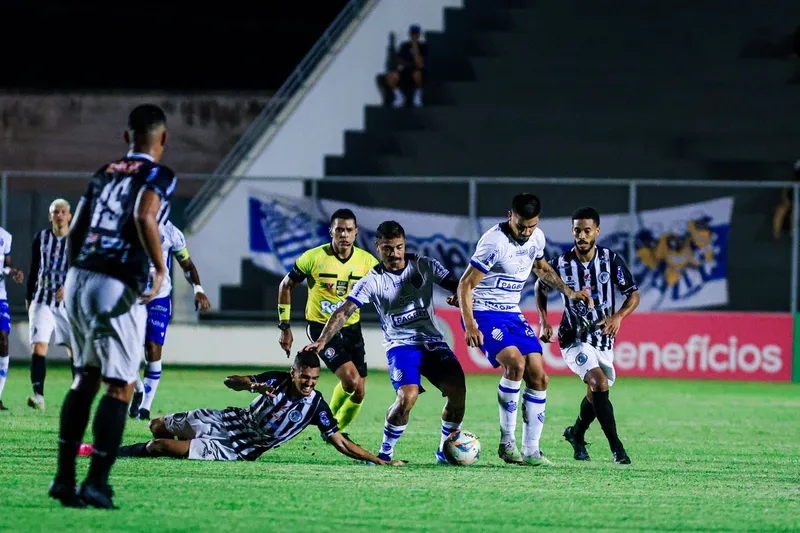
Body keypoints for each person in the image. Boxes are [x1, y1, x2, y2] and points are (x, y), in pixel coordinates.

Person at [49, 103, 176, 510]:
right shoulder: (158, 173)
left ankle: (64, 479)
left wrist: (74, 276)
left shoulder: (104, 171)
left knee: (85, 377)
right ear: (163, 139)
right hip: (117, 282)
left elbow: (77, 228)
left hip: (80, 275)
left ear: (127, 137)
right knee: (120, 384)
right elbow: (145, 215)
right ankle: (97, 483)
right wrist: (159, 267)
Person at [304, 221, 466, 464]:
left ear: (404, 244)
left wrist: (460, 295)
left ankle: (445, 451)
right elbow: (344, 311)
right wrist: (322, 340)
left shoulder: (423, 265)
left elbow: (459, 284)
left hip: (432, 342)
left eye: (399, 247)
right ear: (378, 247)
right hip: (401, 345)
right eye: (388, 248)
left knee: (458, 393)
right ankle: (384, 453)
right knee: (407, 398)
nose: (395, 254)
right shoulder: (372, 279)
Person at [457, 193, 593, 466]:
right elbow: (465, 285)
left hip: (511, 313)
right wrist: (470, 324)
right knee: (515, 364)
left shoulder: (536, 237)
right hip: (484, 312)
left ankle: (531, 450)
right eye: (521, 226)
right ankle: (507, 443)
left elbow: (542, 269)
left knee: (540, 378)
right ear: (511, 216)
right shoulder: (493, 242)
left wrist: (568, 292)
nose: (526, 232)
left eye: (531, 226)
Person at [111, 350, 404, 466]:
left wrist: (381, 461)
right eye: (304, 376)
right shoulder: (275, 380)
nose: (309, 383)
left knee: (157, 445)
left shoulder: (316, 406)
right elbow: (230, 381)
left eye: (314, 379)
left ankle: (115, 452)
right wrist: (252, 386)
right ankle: (184, 444)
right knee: (156, 425)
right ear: (294, 372)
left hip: (238, 448)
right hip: (225, 421)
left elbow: (340, 442)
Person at [534, 207, 638, 465]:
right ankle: (618, 449)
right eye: (577, 230)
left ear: (597, 232)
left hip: (603, 339)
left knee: (595, 393)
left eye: (586, 230)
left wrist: (618, 317)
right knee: (599, 384)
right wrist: (544, 321)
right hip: (574, 337)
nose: (581, 235)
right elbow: (540, 286)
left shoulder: (610, 260)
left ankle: (576, 434)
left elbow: (633, 294)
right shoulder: (560, 263)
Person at [277, 209, 378, 436]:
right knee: (351, 381)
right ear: (331, 231)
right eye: (339, 230)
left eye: (349, 230)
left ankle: (334, 428)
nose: (344, 234)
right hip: (320, 328)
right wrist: (285, 326)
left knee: (359, 391)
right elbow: (285, 286)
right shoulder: (313, 258)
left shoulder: (367, 262)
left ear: (355, 233)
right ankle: (329, 425)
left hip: (352, 329)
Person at [129, 219, 211, 421]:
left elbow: (187, 265)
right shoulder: (129, 224)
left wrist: (198, 289)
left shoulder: (172, 232)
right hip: (131, 297)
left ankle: (144, 408)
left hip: (159, 297)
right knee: (126, 350)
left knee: (153, 346)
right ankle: (138, 389)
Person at [24, 199, 73, 411]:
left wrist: (69, 288)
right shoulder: (41, 238)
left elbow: (82, 271)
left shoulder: (77, 240)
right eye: (55, 212)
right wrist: (28, 297)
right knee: (38, 346)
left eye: (63, 212)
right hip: (42, 300)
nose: (59, 215)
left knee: (75, 350)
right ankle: (38, 396)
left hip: (68, 305)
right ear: (49, 216)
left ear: (69, 216)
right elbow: (34, 268)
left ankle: (76, 395)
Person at [0, 227, 25, 412]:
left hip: (0, 296)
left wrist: (12, 271)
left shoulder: (5, 236)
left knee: (3, 339)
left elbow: (6, 265)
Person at [385, 24, 428, 108]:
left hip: (418, 71)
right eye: (412, 33)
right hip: (405, 70)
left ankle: (417, 97)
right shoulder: (404, 46)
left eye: (416, 33)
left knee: (417, 74)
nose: (414, 35)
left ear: (419, 34)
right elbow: (399, 60)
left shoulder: (423, 46)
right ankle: (398, 96)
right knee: (390, 76)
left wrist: (415, 46)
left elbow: (419, 63)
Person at [772, 159, 800, 240]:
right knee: (781, 210)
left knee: (796, 210)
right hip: (791, 199)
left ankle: (793, 232)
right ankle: (776, 234)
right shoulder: (791, 183)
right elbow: (785, 191)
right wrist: (786, 200)